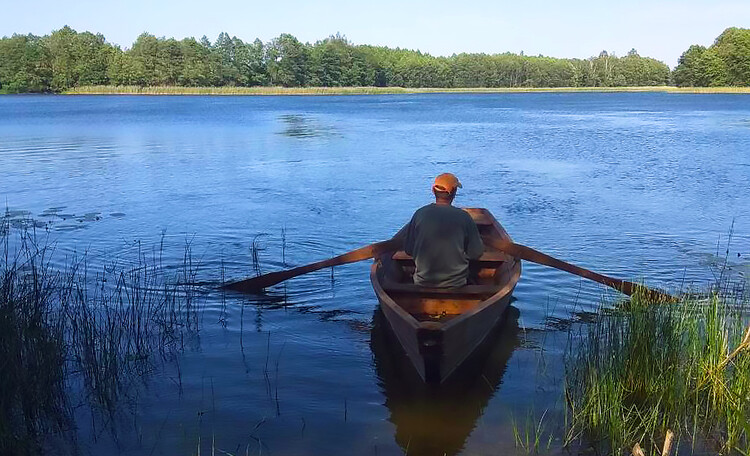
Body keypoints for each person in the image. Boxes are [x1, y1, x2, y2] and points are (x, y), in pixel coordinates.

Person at [402, 173, 484, 288]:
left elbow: (409, 249)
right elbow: (476, 253)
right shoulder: (464, 217)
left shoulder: (419, 214)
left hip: (423, 282)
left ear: (433, 190)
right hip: (456, 283)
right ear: (454, 192)